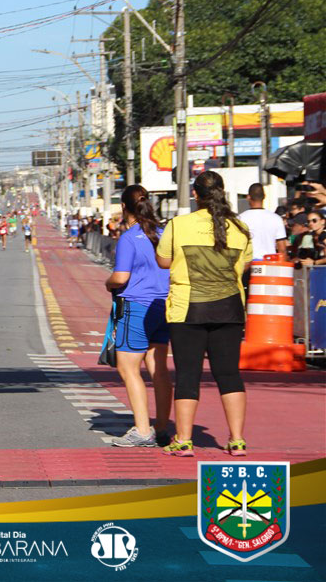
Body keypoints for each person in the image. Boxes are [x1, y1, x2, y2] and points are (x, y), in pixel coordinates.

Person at [156, 171, 252, 457]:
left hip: (189, 309)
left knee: (188, 374)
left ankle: (184, 440)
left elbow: (163, 261)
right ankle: (237, 440)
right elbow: (245, 265)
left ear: (195, 194)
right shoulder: (240, 227)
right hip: (230, 309)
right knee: (229, 374)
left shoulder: (178, 224)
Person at [105, 186, 173, 448]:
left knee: (128, 367)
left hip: (137, 306)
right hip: (164, 304)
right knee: (158, 368)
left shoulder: (129, 237)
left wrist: (108, 283)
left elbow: (121, 277)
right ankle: (162, 428)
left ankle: (143, 430)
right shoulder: (163, 233)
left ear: (124, 207)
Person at [239, 183, 287, 261]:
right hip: (270, 263)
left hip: (249, 263)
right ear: (264, 196)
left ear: (248, 197)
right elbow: (282, 249)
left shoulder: (240, 219)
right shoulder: (276, 219)